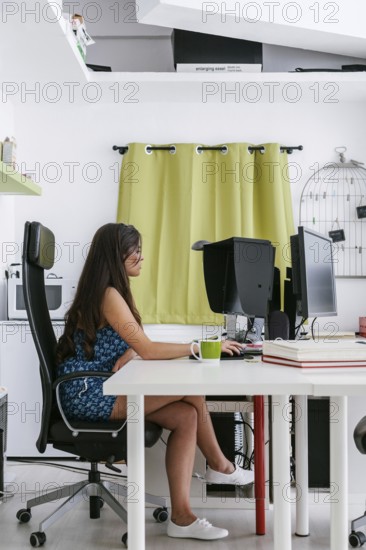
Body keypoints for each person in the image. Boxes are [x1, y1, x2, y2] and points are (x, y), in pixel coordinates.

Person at [56, 222, 254, 541]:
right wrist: (196, 347)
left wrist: (134, 354)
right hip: (91, 392)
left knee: (187, 414)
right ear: (117, 256)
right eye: (135, 251)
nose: (141, 257)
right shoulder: (108, 295)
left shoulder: (110, 292)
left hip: (105, 384)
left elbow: (138, 347)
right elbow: (146, 349)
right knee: (192, 391)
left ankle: (182, 516)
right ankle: (220, 466)